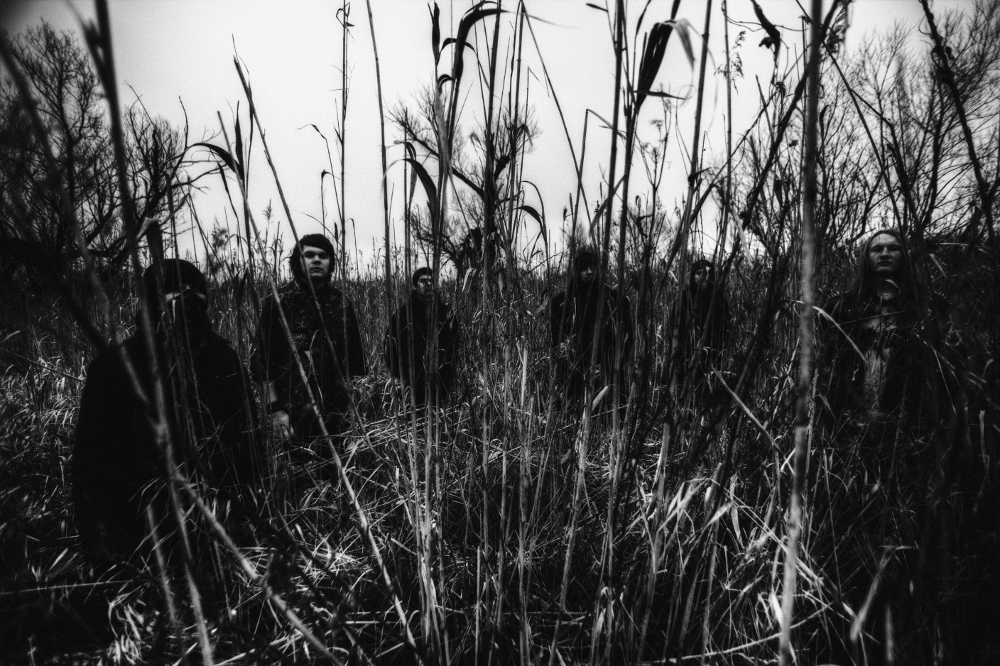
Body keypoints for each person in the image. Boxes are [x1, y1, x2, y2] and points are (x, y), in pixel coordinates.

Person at [72, 260, 258, 562]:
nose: (188, 298)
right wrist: (99, 538)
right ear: (152, 299)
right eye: (175, 289)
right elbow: (91, 462)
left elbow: (247, 439)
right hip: (140, 534)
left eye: (195, 290)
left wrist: (248, 511)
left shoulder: (222, 357)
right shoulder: (117, 366)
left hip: (216, 533)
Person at [820, 228, 952, 431]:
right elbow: (824, 365)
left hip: (909, 429)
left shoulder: (929, 307)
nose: (884, 254)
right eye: (877, 249)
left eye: (893, 248)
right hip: (846, 427)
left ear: (905, 255)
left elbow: (943, 372)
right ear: (866, 257)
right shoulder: (841, 308)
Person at [254, 234, 367, 466]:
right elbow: (262, 364)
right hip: (292, 417)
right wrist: (275, 410)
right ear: (298, 261)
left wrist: (355, 416)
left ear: (331, 263)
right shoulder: (278, 302)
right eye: (309, 255)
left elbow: (356, 365)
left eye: (323, 256)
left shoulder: (342, 303)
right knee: (296, 476)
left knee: (338, 474)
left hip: (337, 417)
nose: (316, 260)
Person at [549, 247, 632, 406]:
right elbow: (557, 343)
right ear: (576, 271)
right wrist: (577, 370)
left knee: (614, 408)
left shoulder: (613, 300)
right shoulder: (562, 303)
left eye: (592, 267)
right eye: (583, 268)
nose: (589, 272)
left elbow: (627, 339)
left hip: (609, 375)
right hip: (574, 377)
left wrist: (608, 367)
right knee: (570, 408)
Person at [384, 267, 459, 407]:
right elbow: (390, 349)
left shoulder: (445, 313)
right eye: (423, 281)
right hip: (412, 384)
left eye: (431, 281)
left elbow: (455, 346)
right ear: (414, 286)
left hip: (441, 383)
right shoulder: (402, 315)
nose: (428, 284)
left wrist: (448, 374)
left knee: (439, 415)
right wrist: (403, 376)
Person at [671, 258, 731, 397]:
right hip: (687, 355)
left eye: (707, 273)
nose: (703, 277)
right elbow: (674, 328)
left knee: (708, 392)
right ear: (692, 276)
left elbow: (725, 327)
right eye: (699, 273)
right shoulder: (684, 298)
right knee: (685, 390)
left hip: (712, 355)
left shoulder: (718, 299)